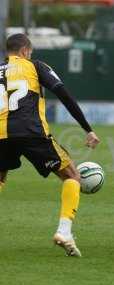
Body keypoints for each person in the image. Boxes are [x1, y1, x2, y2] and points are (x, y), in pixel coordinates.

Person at [0, 34, 100, 257]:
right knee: (72, 176)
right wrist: (87, 128)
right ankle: (64, 232)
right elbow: (63, 94)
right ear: (26, 50)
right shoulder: (36, 66)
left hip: (1, 134)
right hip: (31, 131)